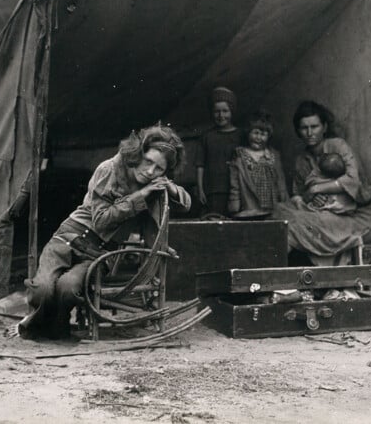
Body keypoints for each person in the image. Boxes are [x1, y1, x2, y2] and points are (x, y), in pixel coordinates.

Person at [17, 125, 191, 340]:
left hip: (101, 252)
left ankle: (60, 325)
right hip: (69, 236)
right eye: (148, 162)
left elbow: (185, 204)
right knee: (42, 290)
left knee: (68, 288)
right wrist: (140, 196)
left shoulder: (155, 184)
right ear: (138, 153)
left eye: (159, 169)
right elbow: (101, 221)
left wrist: (172, 188)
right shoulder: (109, 169)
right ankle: (38, 324)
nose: (150, 172)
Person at [275, 100, 371, 266]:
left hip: (353, 217)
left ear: (325, 127)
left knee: (293, 226)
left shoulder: (337, 146)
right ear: (298, 131)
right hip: (320, 212)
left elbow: (352, 180)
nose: (309, 133)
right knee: (280, 213)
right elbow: (298, 195)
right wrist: (310, 197)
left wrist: (317, 188)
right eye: (304, 128)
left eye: (314, 127)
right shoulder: (301, 160)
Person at [227, 110, 289, 218]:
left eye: (263, 134)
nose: (259, 138)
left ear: (269, 136)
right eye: (255, 133)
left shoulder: (273, 155)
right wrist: (234, 205)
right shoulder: (240, 155)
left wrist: (284, 200)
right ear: (248, 132)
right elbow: (234, 183)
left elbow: (280, 181)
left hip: (271, 206)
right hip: (249, 206)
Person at [195, 87, 241, 216]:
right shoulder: (206, 136)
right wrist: (200, 189)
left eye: (225, 111)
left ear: (232, 111)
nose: (221, 116)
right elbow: (200, 164)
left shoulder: (240, 135)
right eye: (217, 112)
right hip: (212, 190)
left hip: (235, 190)